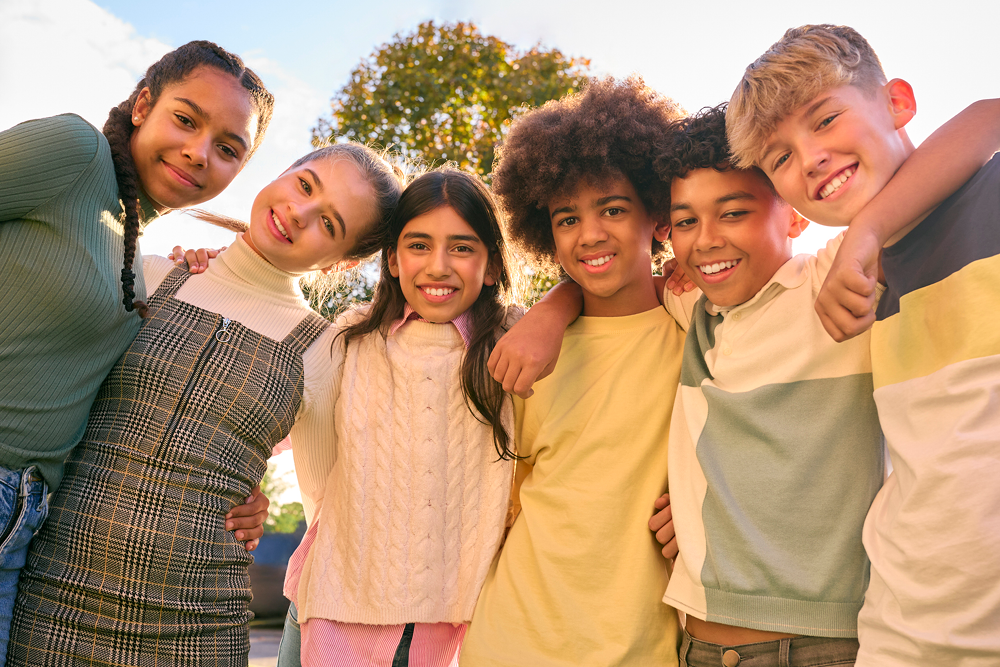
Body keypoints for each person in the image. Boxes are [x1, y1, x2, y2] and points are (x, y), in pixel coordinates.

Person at [7, 142, 405, 666]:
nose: (299, 212)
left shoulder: (323, 350)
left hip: (199, 623)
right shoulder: (148, 273)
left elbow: (325, 514)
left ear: (344, 260)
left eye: (329, 225)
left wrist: (246, 491)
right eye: (305, 185)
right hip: (52, 598)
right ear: (283, 172)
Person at [725, 24, 1000, 665]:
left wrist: (869, 229)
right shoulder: (833, 277)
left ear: (898, 104)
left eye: (825, 119)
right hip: (906, 632)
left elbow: (990, 116)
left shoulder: (986, 199)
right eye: (781, 157)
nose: (811, 157)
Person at [0, 40, 274, 663]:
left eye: (228, 149)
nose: (198, 152)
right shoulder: (75, 152)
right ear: (143, 104)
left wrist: (229, 484)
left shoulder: (134, 246)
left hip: (26, 519)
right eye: (185, 118)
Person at [459, 76, 696, 667]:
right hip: (511, 640)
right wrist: (554, 308)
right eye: (566, 219)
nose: (589, 234)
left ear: (658, 219)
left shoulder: (696, 331)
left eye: (613, 209)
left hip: (642, 645)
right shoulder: (525, 351)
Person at [652, 104, 882, 667]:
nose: (705, 241)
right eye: (685, 222)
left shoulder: (833, 281)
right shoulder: (695, 308)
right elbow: (616, 282)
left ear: (795, 215)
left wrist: (868, 232)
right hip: (698, 644)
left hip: (821, 645)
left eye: (733, 213)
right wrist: (551, 310)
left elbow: (968, 141)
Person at [280, 167, 523, 667]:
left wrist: (559, 306)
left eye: (462, 247)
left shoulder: (515, 340)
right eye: (418, 245)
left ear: (493, 265)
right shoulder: (350, 338)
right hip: (329, 605)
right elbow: (261, 414)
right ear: (391, 259)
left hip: (445, 619)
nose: (438, 266)